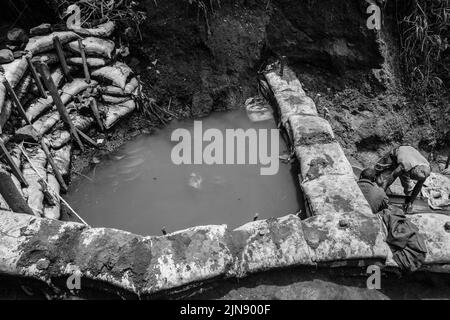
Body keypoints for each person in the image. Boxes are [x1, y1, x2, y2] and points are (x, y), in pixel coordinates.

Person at [375, 145, 431, 213]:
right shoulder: (406, 165)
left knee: (408, 186)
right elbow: (391, 177)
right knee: (379, 174)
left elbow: (418, 186)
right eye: (412, 176)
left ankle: (407, 202)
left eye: (414, 178)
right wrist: (382, 194)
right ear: (414, 169)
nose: (412, 178)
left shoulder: (426, 171)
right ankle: (376, 190)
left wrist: (411, 202)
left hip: (409, 161)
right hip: (395, 156)